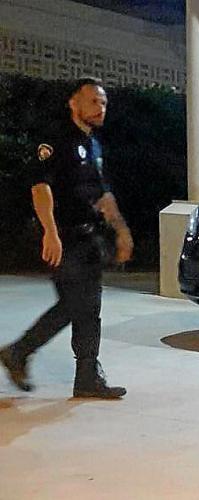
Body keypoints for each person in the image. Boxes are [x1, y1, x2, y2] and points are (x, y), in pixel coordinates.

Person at [0, 77, 133, 399]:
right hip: (63, 237)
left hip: (88, 238)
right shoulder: (56, 138)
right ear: (74, 103)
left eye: (103, 103)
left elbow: (102, 194)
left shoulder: (92, 144)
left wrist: (121, 230)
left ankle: (86, 376)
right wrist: (50, 231)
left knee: (88, 307)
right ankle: (19, 351)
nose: (100, 108)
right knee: (77, 303)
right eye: (93, 101)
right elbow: (40, 186)